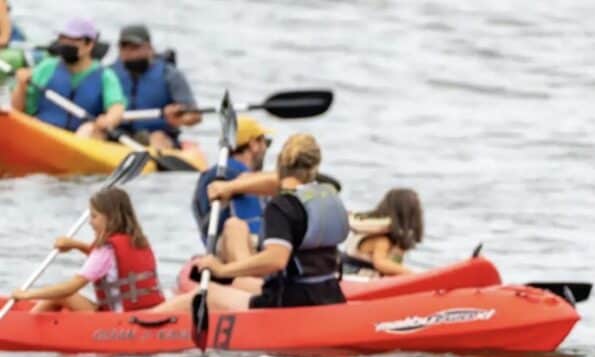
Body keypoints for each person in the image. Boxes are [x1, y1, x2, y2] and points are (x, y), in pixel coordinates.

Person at [156, 133, 348, 313]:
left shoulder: (281, 207)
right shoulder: (327, 194)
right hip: (329, 292)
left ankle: (136, 324)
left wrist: (223, 269)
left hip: (288, 302)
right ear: (315, 167)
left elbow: (276, 259)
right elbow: (281, 184)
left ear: (280, 164)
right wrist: (231, 187)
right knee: (238, 284)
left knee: (208, 294)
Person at [10, 188, 164, 313]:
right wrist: (76, 245)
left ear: (110, 218)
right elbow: (110, 264)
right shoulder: (138, 240)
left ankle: (27, 324)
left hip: (116, 321)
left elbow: (70, 287)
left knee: (63, 296)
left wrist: (27, 295)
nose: (90, 222)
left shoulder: (106, 249)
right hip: (148, 312)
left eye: (94, 216)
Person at [10, 17, 126, 139]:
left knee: (90, 129)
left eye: (73, 40)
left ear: (89, 45)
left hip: (80, 139)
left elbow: (116, 108)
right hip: (43, 132)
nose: (66, 44)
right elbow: (17, 111)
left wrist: (108, 120)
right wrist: (21, 86)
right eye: (63, 39)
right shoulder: (46, 67)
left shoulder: (106, 76)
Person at [191, 115, 273, 263]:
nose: (266, 148)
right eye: (266, 142)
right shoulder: (231, 174)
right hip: (242, 248)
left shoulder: (210, 176)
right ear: (253, 144)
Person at [112, 24, 200, 150]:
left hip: (157, 134)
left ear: (150, 48)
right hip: (117, 134)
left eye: (135, 47)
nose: (129, 53)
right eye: (124, 48)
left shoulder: (170, 74)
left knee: (157, 137)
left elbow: (195, 116)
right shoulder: (110, 74)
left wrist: (180, 118)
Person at [340, 189, 424, 277]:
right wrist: (412, 274)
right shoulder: (381, 240)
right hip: (361, 283)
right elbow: (380, 264)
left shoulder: (377, 233)